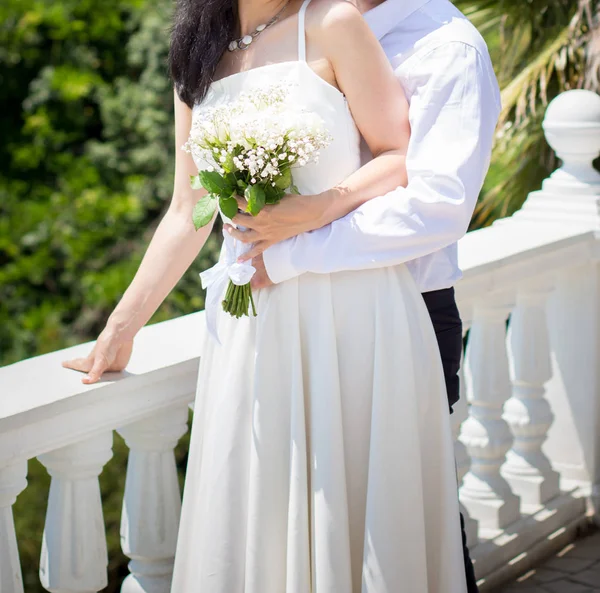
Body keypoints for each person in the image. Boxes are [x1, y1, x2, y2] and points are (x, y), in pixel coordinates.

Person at [62, 0, 493, 590]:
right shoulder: (195, 49)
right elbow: (189, 208)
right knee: (261, 502)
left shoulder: (336, 24)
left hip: (350, 310)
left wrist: (322, 205)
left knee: (366, 509)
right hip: (252, 320)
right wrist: (120, 328)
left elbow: (401, 158)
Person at [224, 1, 501, 590]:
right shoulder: (294, 25)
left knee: (405, 524)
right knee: (312, 515)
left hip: (406, 312)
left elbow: (435, 208)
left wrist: (291, 252)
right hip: (298, 319)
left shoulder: (446, 45)